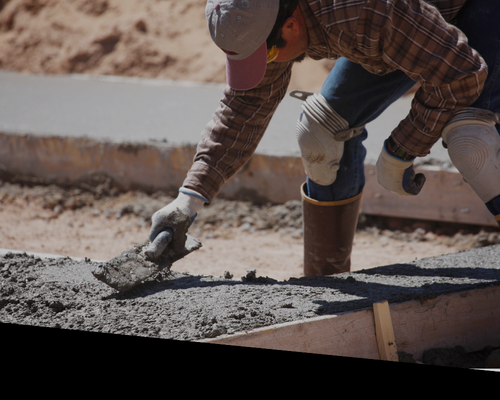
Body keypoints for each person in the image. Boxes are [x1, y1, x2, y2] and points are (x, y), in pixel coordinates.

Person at [149, 0, 500, 277]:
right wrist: (188, 199)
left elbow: (460, 74)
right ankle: (330, 283)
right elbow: (245, 107)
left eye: (268, 54)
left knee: (472, 145)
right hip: (409, 25)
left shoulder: (361, 11)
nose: (268, 64)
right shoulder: (265, 13)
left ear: (291, 25)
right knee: (320, 132)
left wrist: (402, 147)